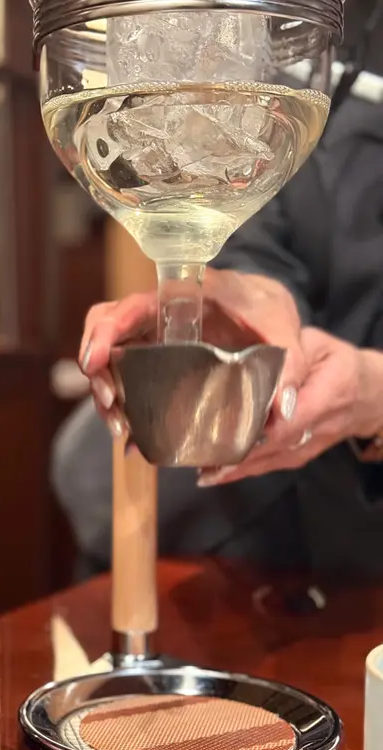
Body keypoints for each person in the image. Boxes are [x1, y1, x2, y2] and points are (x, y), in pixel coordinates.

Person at [52, 93, 383, 583]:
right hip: (263, 472)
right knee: (90, 463)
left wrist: (373, 392)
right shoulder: (304, 83)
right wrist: (250, 293)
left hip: (352, 523)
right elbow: (261, 220)